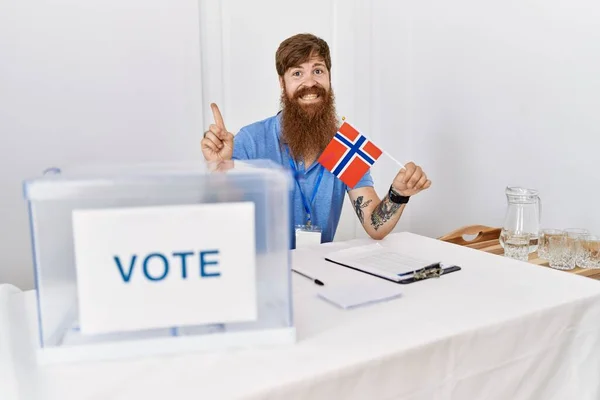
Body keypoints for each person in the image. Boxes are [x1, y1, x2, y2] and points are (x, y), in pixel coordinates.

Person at [201, 33, 431, 248]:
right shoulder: (251, 140)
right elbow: (221, 221)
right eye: (297, 73)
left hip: (319, 273)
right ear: (282, 83)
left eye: (318, 71)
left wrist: (398, 194)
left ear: (329, 77)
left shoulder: (344, 146)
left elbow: (374, 225)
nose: (309, 83)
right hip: (264, 268)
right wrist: (219, 168)